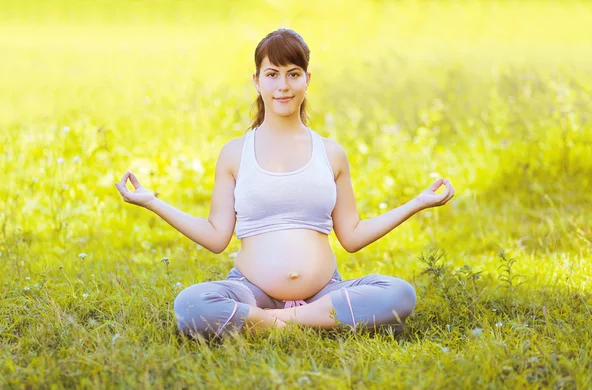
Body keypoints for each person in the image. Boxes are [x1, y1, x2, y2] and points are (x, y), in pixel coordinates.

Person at [115, 28, 454, 340]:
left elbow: (351, 236)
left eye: (293, 74)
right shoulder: (235, 154)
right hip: (251, 291)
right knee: (191, 305)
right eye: (272, 74)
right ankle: (311, 320)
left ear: (307, 79)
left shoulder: (331, 153)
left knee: (399, 294)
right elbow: (216, 236)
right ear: (257, 80)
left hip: (324, 291)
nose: (283, 86)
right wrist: (151, 201)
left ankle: (272, 321)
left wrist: (417, 203)